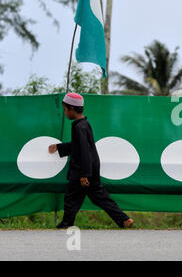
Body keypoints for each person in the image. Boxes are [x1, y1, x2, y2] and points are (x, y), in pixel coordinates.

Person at [48, 92, 134, 229]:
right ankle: (124, 219)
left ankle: (66, 223)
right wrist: (60, 147)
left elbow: (84, 151)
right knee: (100, 197)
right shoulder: (83, 124)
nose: (64, 113)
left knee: (71, 197)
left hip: (82, 170)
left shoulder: (79, 127)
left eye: (65, 109)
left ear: (71, 109)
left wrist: (84, 174)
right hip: (90, 168)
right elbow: (78, 146)